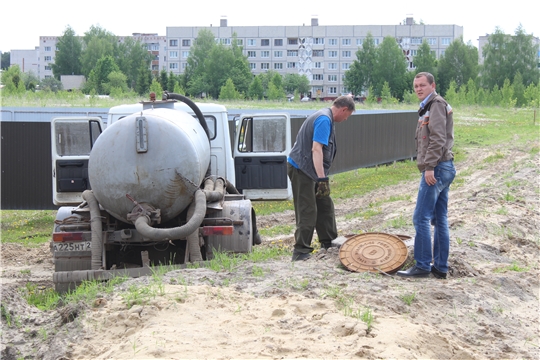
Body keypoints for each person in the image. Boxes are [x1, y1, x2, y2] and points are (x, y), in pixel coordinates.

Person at [397, 72, 456, 279]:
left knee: (420, 217)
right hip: (444, 166)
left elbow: (438, 138)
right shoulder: (428, 106)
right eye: (415, 86)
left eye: (422, 85)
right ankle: (440, 267)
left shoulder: (436, 105)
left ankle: (422, 265)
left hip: (437, 168)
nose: (419, 89)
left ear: (433, 85)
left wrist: (430, 166)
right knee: (439, 219)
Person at [288, 95, 356, 261]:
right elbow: (316, 150)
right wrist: (322, 180)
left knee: (325, 205)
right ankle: (301, 250)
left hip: (311, 171)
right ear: (343, 109)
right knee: (307, 209)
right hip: (301, 170)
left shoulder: (326, 117)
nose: (346, 119)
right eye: (347, 116)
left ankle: (329, 244)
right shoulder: (324, 120)